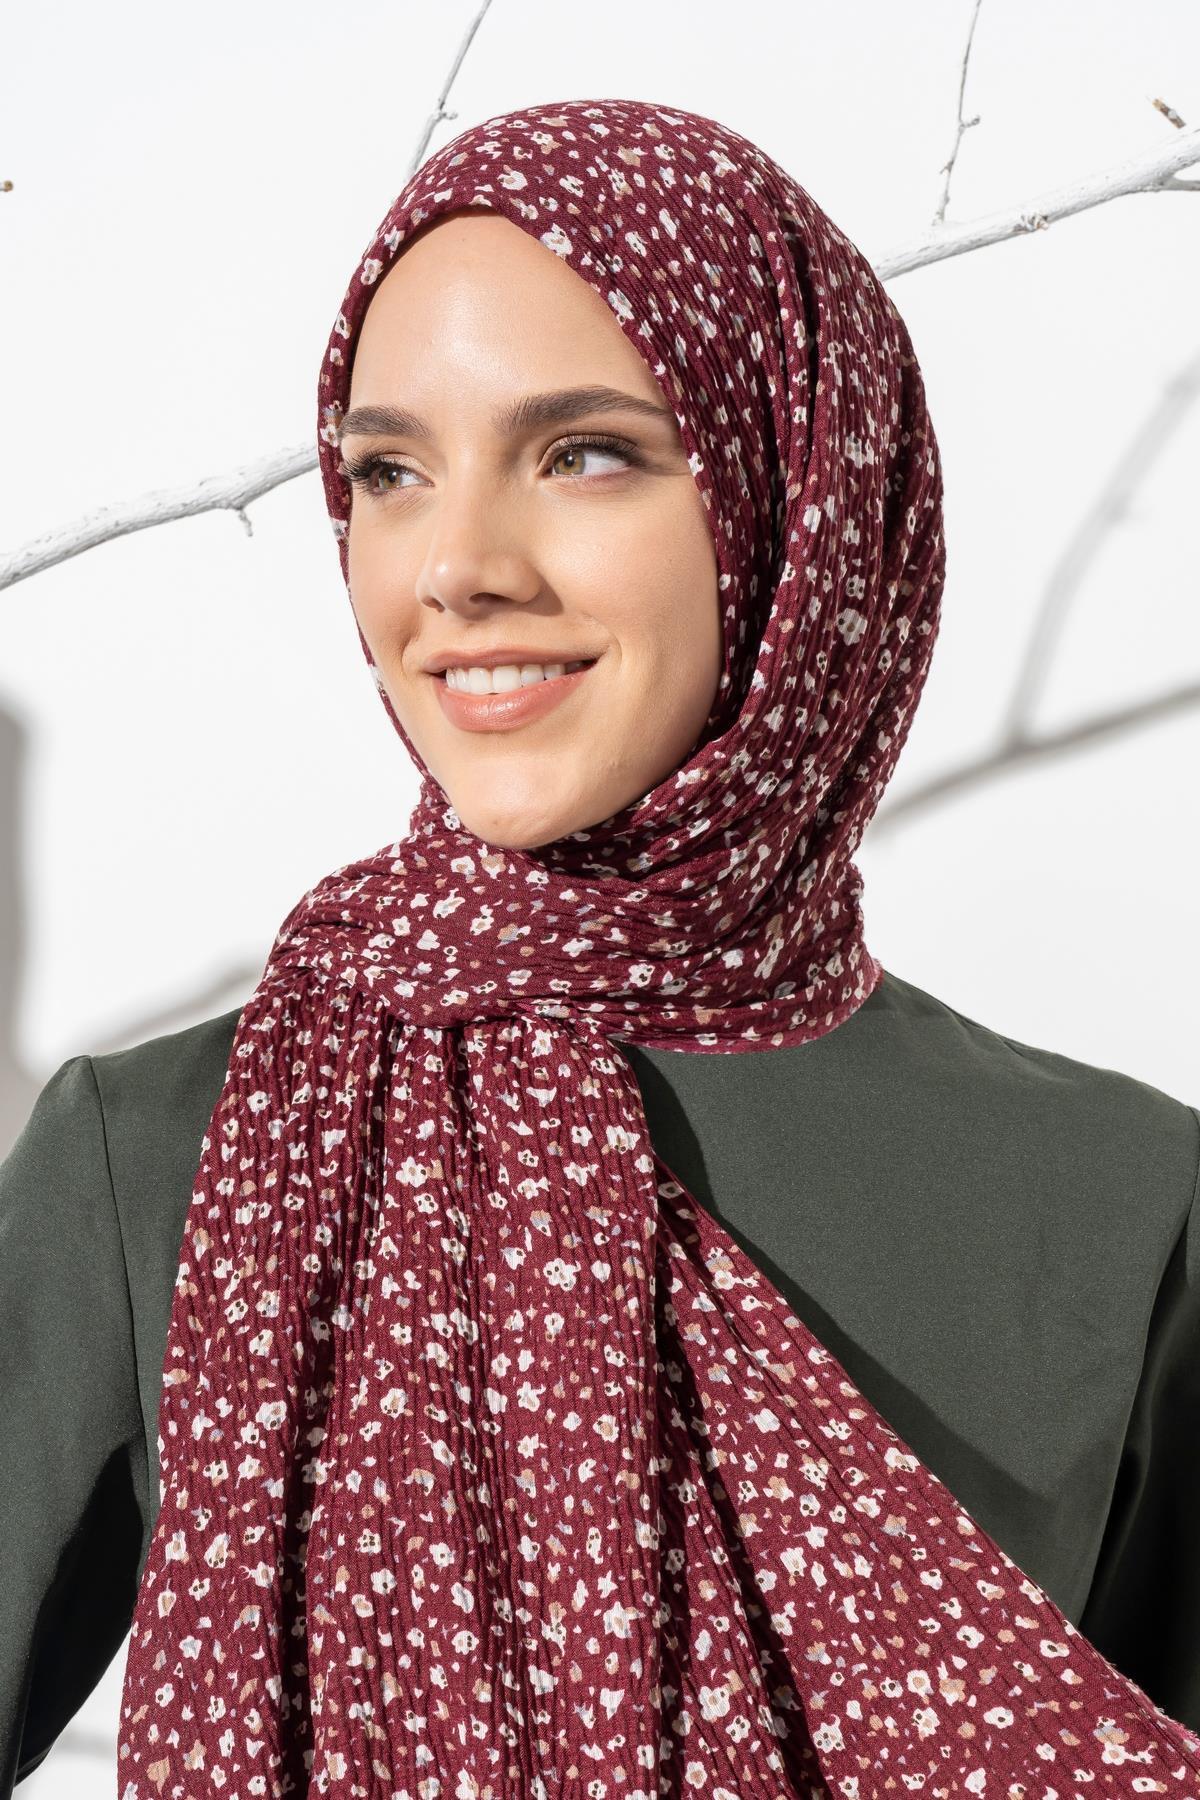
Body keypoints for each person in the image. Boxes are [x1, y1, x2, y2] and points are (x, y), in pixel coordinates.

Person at [1, 95, 1198, 1799]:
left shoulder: (1131, 1208)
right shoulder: (166, 1168)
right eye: (390, 472)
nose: (457, 568)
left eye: (584, 453)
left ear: (803, 497)